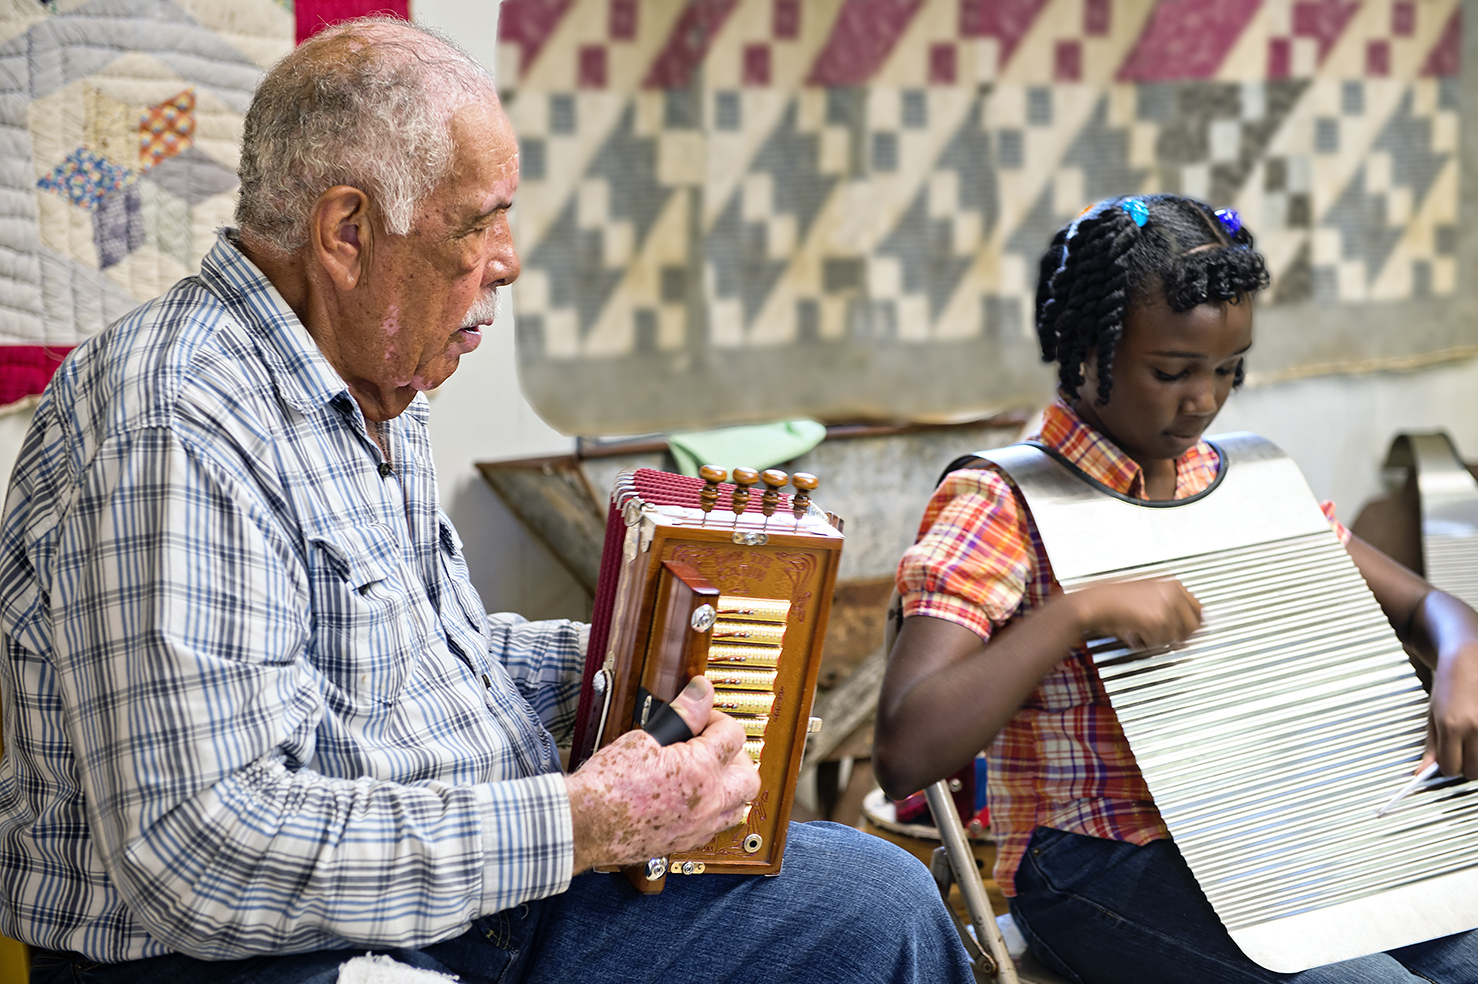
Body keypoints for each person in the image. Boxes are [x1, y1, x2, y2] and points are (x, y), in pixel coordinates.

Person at [0, 19, 973, 984]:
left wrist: (645, 653)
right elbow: (201, 851)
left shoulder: (375, 383)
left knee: (877, 906)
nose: (506, 258)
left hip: (461, 902)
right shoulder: (173, 425)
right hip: (255, 958)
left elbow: (420, 665)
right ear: (348, 232)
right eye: (476, 223)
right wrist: (583, 821)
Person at [873, 193, 1478, 984]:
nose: (1203, 401)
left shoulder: (1244, 482)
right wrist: (1077, 611)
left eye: (1228, 370)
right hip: (1097, 868)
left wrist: (1463, 657)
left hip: (1271, 836)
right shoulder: (1006, 504)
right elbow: (905, 752)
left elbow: (1427, 606)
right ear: (1089, 348)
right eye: (1172, 372)